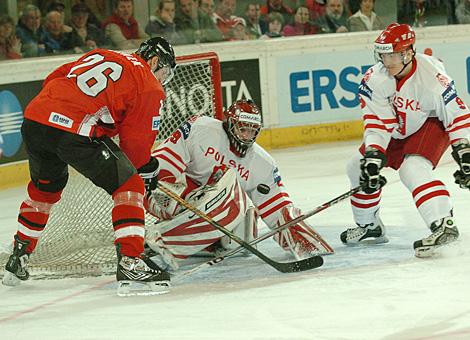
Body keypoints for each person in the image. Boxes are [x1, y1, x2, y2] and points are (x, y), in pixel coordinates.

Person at [2, 37, 177, 296]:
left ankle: (18, 257)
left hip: (36, 119)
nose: (163, 78)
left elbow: (55, 77)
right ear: (153, 61)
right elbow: (135, 151)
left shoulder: (105, 53)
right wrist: (148, 168)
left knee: (45, 192)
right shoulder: (149, 84)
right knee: (130, 185)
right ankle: (131, 261)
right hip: (73, 129)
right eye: (164, 71)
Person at [143, 100, 333, 271]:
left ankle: (202, 243)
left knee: (242, 236)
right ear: (230, 123)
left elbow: (277, 207)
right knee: (160, 193)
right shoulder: (200, 129)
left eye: (252, 131)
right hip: (180, 198)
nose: (247, 136)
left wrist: (303, 240)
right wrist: (183, 200)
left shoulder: (263, 164)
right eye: (243, 129)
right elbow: (161, 167)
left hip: (216, 209)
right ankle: (162, 239)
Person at [340, 23, 470, 258]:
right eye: (383, 55)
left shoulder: (433, 78)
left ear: (408, 52)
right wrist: (373, 154)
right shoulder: (374, 78)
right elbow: (377, 123)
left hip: (429, 124)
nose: (386, 61)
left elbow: (457, 114)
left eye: (392, 55)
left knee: (412, 168)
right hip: (398, 127)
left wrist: (463, 149)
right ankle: (370, 226)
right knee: (356, 167)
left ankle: (442, 223)